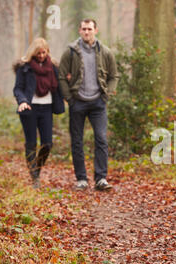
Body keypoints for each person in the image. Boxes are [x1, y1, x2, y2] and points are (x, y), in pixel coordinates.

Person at [59, 18, 117, 191]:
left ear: (95, 31)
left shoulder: (105, 52)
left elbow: (114, 76)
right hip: (78, 102)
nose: (86, 32)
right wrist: (70, 99)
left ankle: (101, 178)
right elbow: (61, 76)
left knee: (101, 139)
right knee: (77, 141)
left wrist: (107, 94)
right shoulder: (70, 52)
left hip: (98, 103)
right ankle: (81, 179)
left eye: (89, 29)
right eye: (83, 29)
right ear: (79, 31)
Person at [13, 37, 65, 189]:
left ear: (47, 51)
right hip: (29, 108)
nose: (41, 56)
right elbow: (18, 88)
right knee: (31, 143)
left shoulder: (53, 67)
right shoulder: (25, 67)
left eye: (44, 52)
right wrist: (22, 101)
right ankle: (35, 177)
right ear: (33, 53)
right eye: (38, 53)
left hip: (47, 107)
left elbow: (60, 85)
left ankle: (36, 169)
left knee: (47, 144)